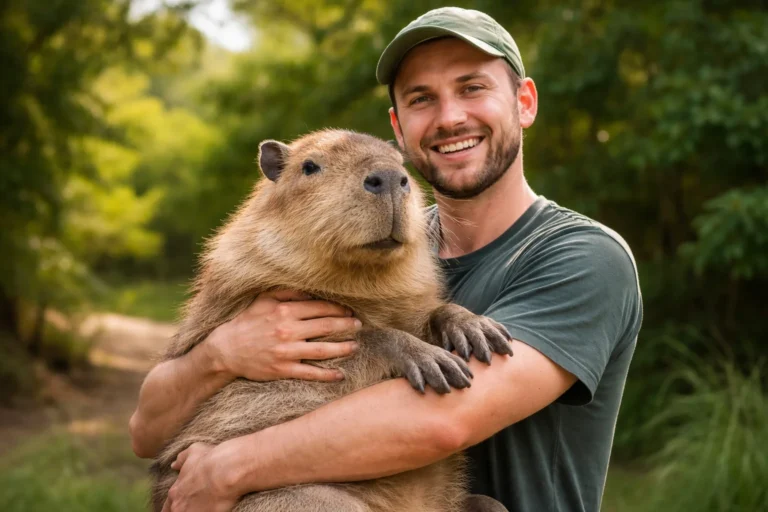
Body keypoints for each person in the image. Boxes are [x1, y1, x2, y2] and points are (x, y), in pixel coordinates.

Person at [131, 7, 643, 512]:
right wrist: (217, 353)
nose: (450, 116)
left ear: (524, 102)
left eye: (473, 88)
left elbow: (445, 421)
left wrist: (227, 468)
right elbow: (146, 431)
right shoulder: (395, 249)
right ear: (399, 126)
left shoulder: (582, 256)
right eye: (423, 98)